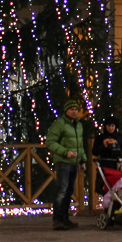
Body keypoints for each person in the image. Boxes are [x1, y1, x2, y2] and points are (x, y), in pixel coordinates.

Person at [45, 99, 88, 231]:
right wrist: (65, 152)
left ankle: (64, 218)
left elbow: (79, 145)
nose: (74, 112)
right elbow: (50, 141)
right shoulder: (60, 124)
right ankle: (57, 219)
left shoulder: (78, 125)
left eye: (76, 109)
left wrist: (82, 160)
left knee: (69, 191)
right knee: (62, 190)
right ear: (66, 111)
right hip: (63, 161)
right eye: (72, 109)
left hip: (74, 162)